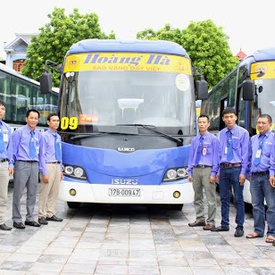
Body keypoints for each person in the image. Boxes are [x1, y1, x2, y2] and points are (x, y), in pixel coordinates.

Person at [211, 107, 249, 237]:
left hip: (237, 168)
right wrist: (216, 170)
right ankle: (224, 224)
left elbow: (245, 154)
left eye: (231, 116)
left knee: (238, 198)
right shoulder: (221, 134)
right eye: (226, 117)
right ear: (223, 119)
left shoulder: (243, 133)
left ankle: (240, 226)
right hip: (224, 168)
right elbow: (218, 153)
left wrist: (243, 172)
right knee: (224, 198)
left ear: (236, 117)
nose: (229, 119)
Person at [246, 114, 275, 243]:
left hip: (267, 176)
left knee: (271, 205)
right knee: (256, 205)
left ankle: (272, 232)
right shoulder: (253, 139)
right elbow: (249, 156)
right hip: (255, 176)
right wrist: (247, 172)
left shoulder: (273, 139)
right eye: (258, 123)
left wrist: (273, 174)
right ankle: (258, 230)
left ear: (270, 124)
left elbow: (273, 159)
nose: (260, 125)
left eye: (263, 123)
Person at [188, 114, 220, 230]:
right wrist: (190, 172)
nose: (201, 124)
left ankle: (211, 221)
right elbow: (191, 156)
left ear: (208, 124)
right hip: (196, 169)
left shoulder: (213, 139)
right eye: (200, 122)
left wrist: (214, 173)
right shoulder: (195, 140)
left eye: (204, 122)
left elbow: (217, 157)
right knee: (197, 196)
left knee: (210, 197)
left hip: (208, 169)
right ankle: (200, 218)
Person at [12, 109, 42, 229]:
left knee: (32, 193)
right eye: (31, 118)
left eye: (36, 118)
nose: (33, 120)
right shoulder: (19, 132)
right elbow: (13, 151)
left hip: (34, 164)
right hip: (22, 164)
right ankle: (17, 219)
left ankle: (30, 218)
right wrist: (12, 165)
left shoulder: (38, 134)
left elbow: (40, 152)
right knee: (18, 193)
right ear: (26, 119)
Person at [38, 113, 63, 225]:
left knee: (55, 191)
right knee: (45, 191)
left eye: (57, 121)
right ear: (48, 122)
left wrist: (61, 168)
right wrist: (44, 171)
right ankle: (41, 215)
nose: (56, 123)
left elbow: (60, 153)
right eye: (53, 120)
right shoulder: (44, 136)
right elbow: (41, 155)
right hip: (48, 165)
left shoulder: (58, 137)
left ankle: (50, 213)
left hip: (57, 165)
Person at [0, 100, 13, 231]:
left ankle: (1, 220)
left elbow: (10, 148)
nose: (1, 111)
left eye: (3, 109)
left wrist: (11, 164)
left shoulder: (7, 128)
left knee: (3, 195)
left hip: (3, 164)